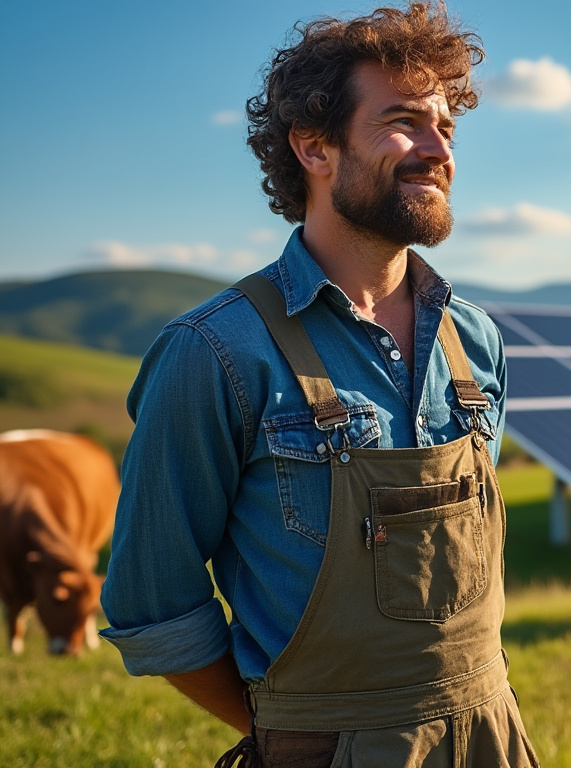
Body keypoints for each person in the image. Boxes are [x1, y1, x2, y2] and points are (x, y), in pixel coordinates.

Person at [100, 3, 539, 765]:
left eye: (448, 129)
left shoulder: (476, 339)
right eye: (404, 121)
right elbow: (153, 603)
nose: (439, 149)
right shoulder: (215, 352)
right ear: (313, 147)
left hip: (494, 734)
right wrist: (299, 732)